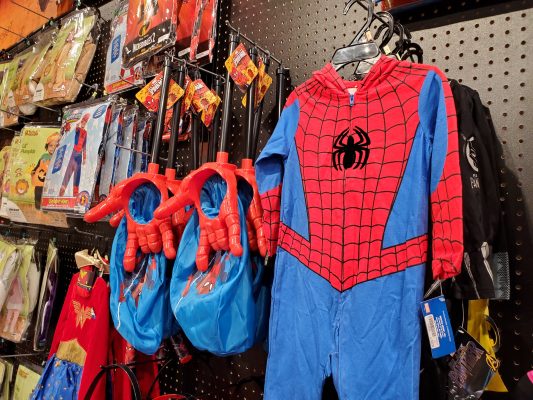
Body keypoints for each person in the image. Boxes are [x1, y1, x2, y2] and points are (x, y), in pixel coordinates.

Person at [59, 113, 89, 197]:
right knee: (68, 171)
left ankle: (75, 194)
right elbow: (75, 129)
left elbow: (84, 146)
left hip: (79, 155)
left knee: (77, 174)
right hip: (73, 152)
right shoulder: (77, 129)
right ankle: (61, 192)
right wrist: (78, 123)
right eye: (83, 121)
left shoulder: (85, 133)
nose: (83, 123)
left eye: (85, 122)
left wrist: (84, 158)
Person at [32, 132, 60, 209]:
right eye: (51, 145)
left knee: (49, 193)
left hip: (52, 180)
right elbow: (38, 165)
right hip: (41, 179)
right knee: (38, 191)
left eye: (55, 146)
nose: (53, 148)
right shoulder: (44, 156)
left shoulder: (58, 157)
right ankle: (38, 206)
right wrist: (34, 171)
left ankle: (47, 207)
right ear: (47, 146)